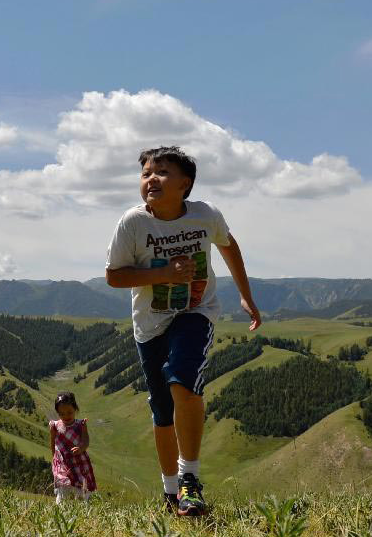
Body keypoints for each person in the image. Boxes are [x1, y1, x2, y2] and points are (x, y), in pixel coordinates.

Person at [105, 146, 262, 516]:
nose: (150, 180)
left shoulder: (204, 215)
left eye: (161, 172)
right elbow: (114, 276)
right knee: (162, 410)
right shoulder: (132, 222)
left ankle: (190, 478)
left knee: (183, 381)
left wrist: (246, 296)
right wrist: (162, 274)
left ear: (185, 183)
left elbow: (229, 246)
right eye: (145, 174)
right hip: (150, 323)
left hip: (196, 310)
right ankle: (171, 491)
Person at [49, 391, 97, 504]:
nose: (66, 416)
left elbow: (86, 440)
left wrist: (81, 448)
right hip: (62, 462)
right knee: (62, 484)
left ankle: (85, 506)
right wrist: (53, 458)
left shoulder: (80, 425)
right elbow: (53, 442)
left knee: (82, 486)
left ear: (75, 409)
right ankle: (60, 507)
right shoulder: (54, 426)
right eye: (62, 414)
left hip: (78, 461)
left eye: (69, 412)